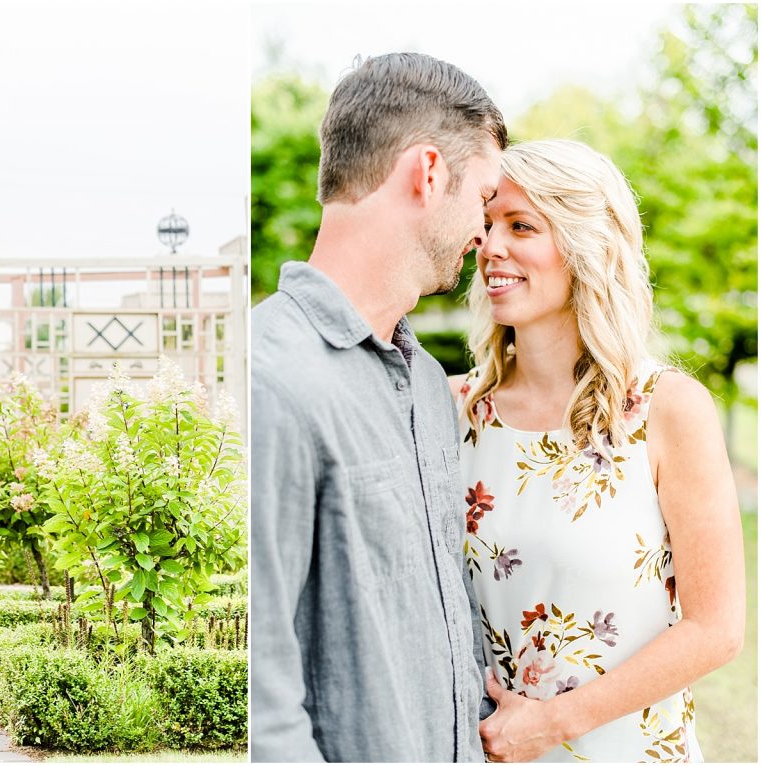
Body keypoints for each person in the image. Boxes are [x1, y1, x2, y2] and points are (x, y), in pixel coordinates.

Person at [451, 139, 745, 762]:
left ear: (586, 248)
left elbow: (716, 629)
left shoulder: (666, 410)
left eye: (521, 225)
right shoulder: (456, 411)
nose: (490, 248)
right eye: (486, 225)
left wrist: (552, 723)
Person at [251, 52, 507, 762]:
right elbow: (260, 682)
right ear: (428, 173)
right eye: (483, 198)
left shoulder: (427, 383)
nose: (484, 233)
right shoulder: (270, 377)